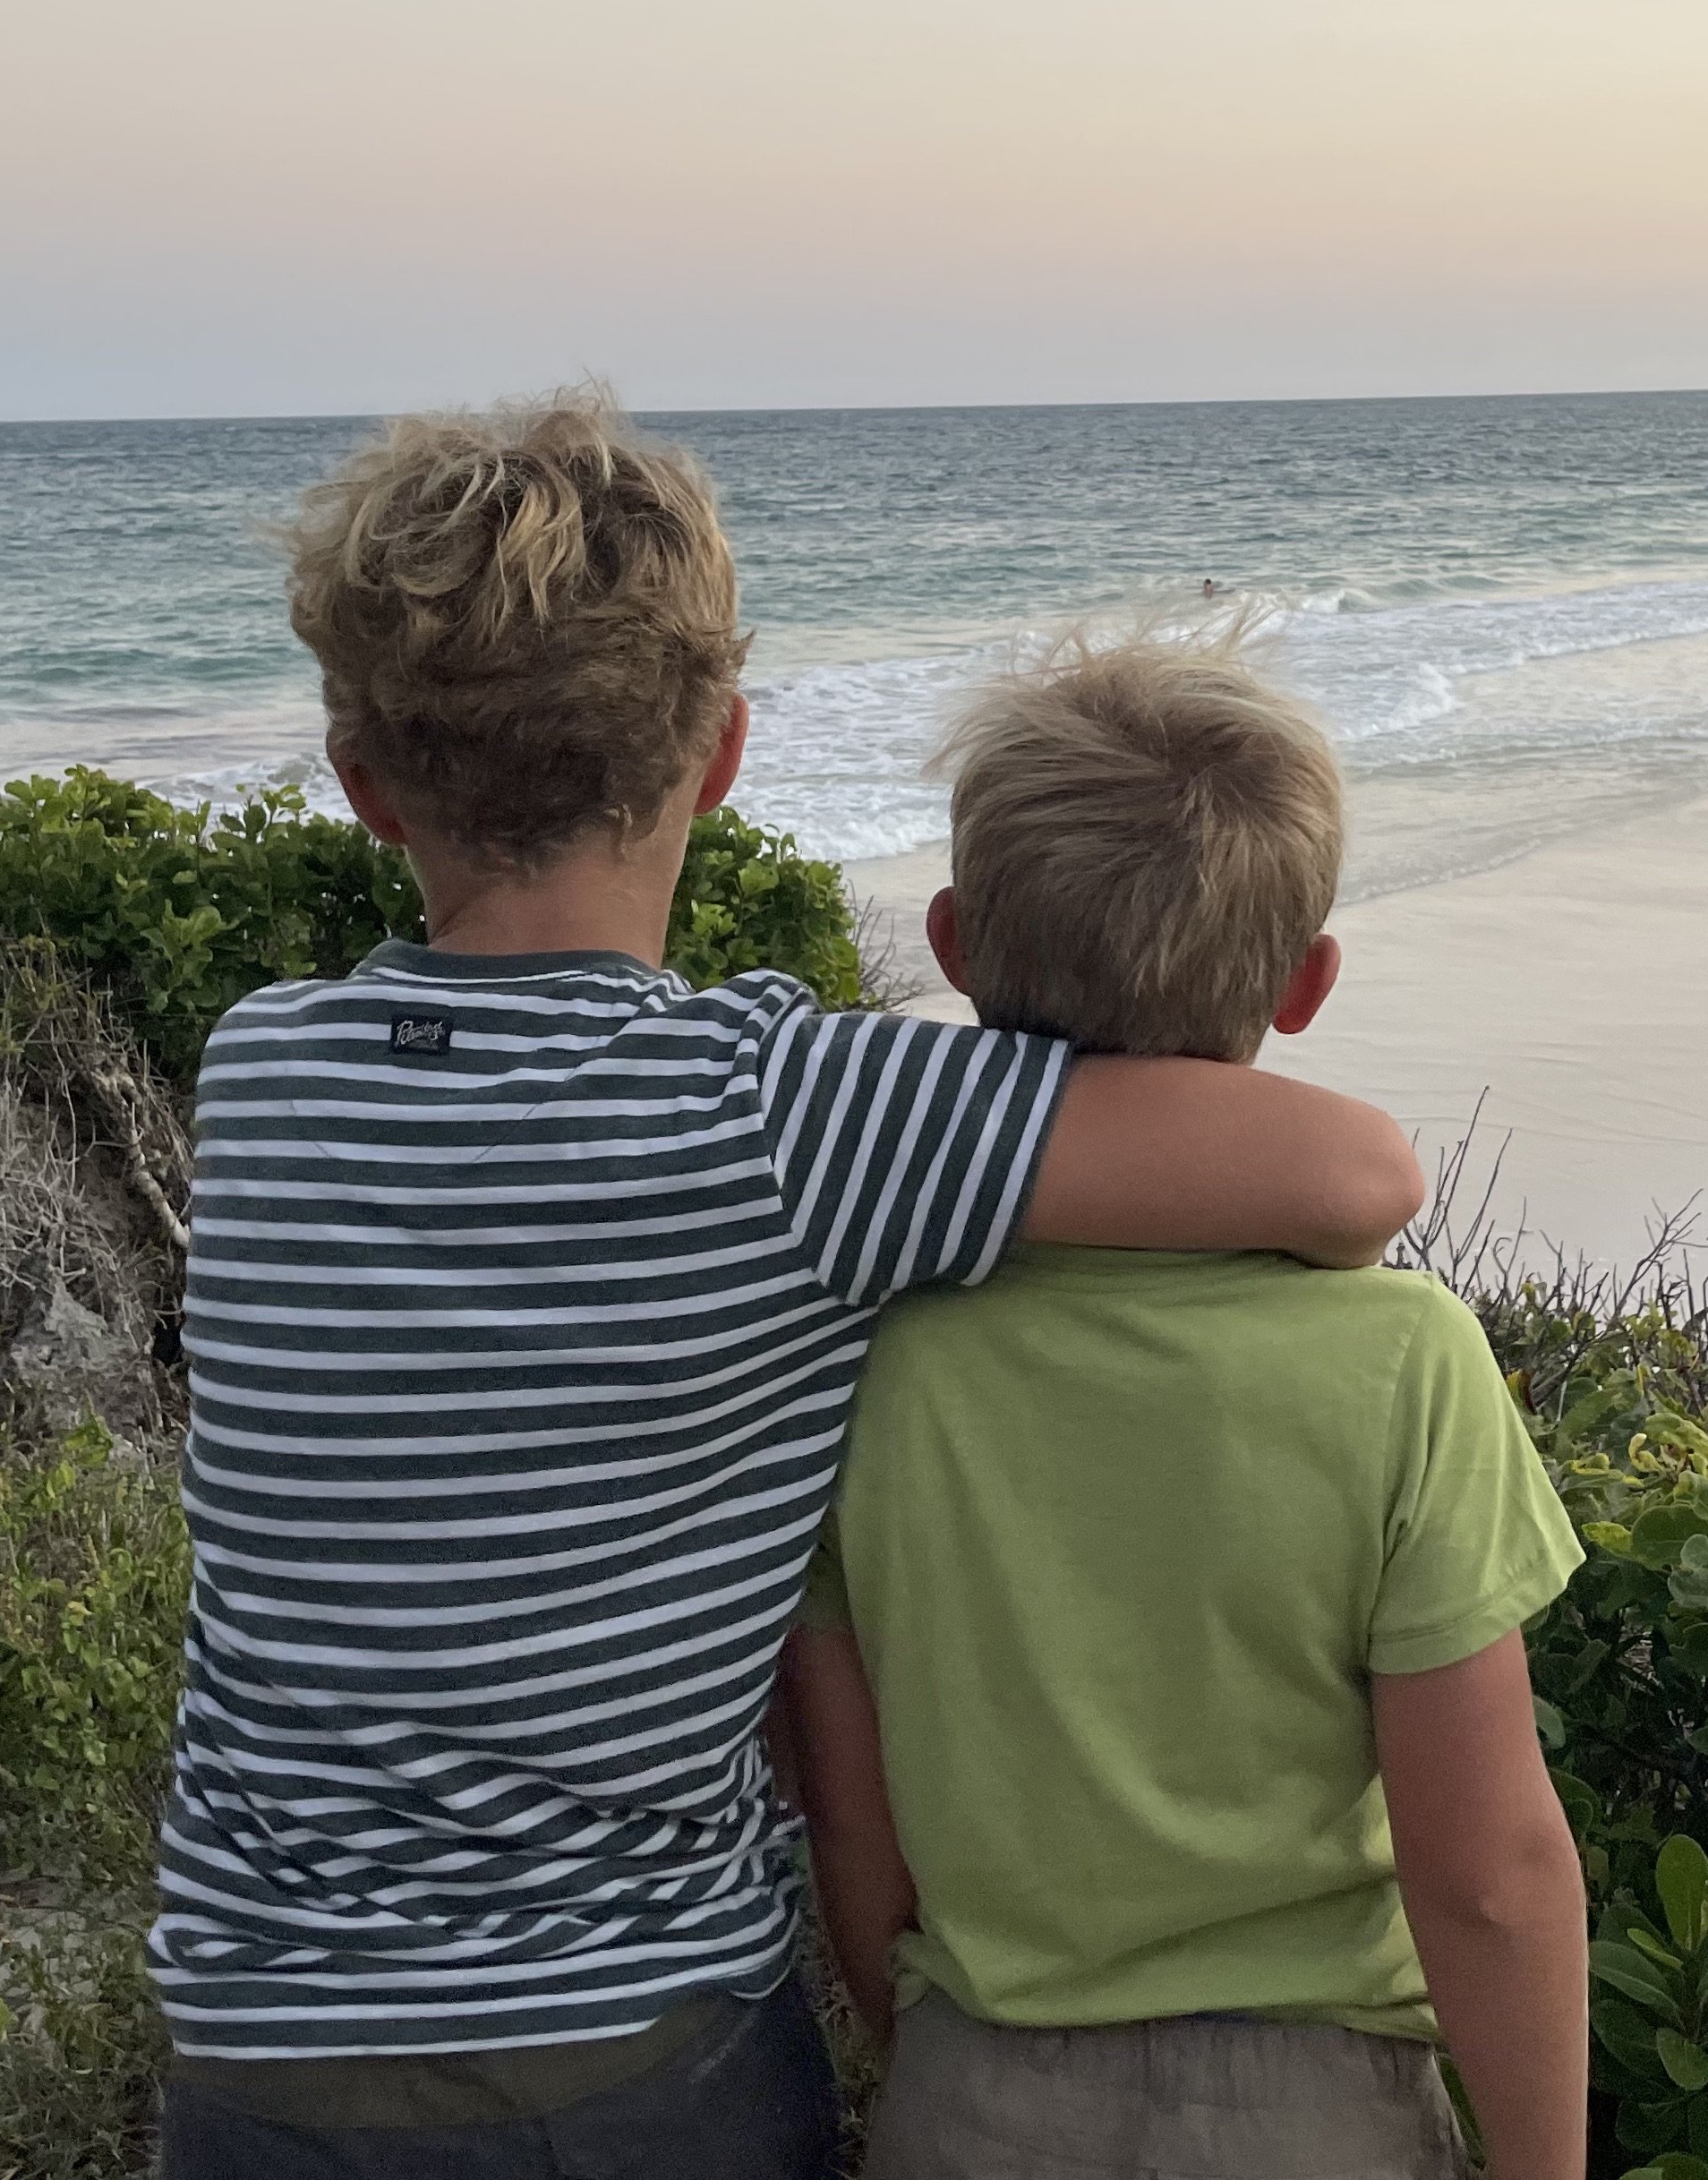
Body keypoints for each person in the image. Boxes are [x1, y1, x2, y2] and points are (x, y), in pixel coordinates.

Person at [147, 395, 1428, 2180]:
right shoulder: (784, 1112)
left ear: (363, 784)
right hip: (633, 2060)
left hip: (257, 2060)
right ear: (728, 752)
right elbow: (1353, 1174)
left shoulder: (266, 1064)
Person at [785, 630, 1589, 2180]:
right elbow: (1486, 1870)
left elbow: (851, 1813)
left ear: (953, 944)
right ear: (1305, 984)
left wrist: (926, 2049)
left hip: (980, 2090)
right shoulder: (1404, 1360)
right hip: (1321, 2110)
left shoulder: (864, 1352)